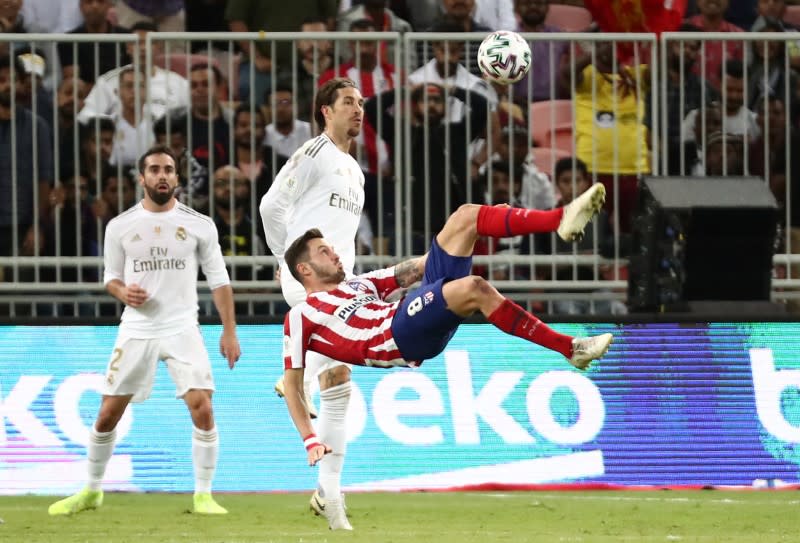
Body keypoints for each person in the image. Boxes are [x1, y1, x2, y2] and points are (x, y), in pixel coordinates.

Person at [280, 183, 613, 482]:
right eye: (324, 251)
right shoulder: (301, 315)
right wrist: (309, 438)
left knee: (465, 217)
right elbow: (293, 383)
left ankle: (560, 217)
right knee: (475, 288)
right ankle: (569, 347)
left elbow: (417, 266)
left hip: (413, 319)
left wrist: (454, 242)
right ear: (304, 269)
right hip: (399, 336)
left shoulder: (358, 284)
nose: (335, 252)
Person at [47, 144, 241, 516]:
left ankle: (203, 495)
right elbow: (111, 279)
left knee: (202, 407)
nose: (162, 175)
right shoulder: (120, 226)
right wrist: (123, 292)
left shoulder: (199, 224)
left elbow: (219, 280)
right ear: (142, 178)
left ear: (177, 178)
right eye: (154, 169)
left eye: (168, 169)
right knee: (107, 415)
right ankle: (91, 490)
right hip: (137, 328)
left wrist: (229, 331)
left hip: (183, 326)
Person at [259, 77, 365, 531]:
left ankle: (327, 493)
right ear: (325, 110)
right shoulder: (314, 154)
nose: (358, 109)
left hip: (341, 283)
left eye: (360, 103)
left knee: (339, 383)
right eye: (347, 102)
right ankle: (333, 502)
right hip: (309, 281)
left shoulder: (353, 169)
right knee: (337, 377)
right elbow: (270, 207)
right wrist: (288, 259)